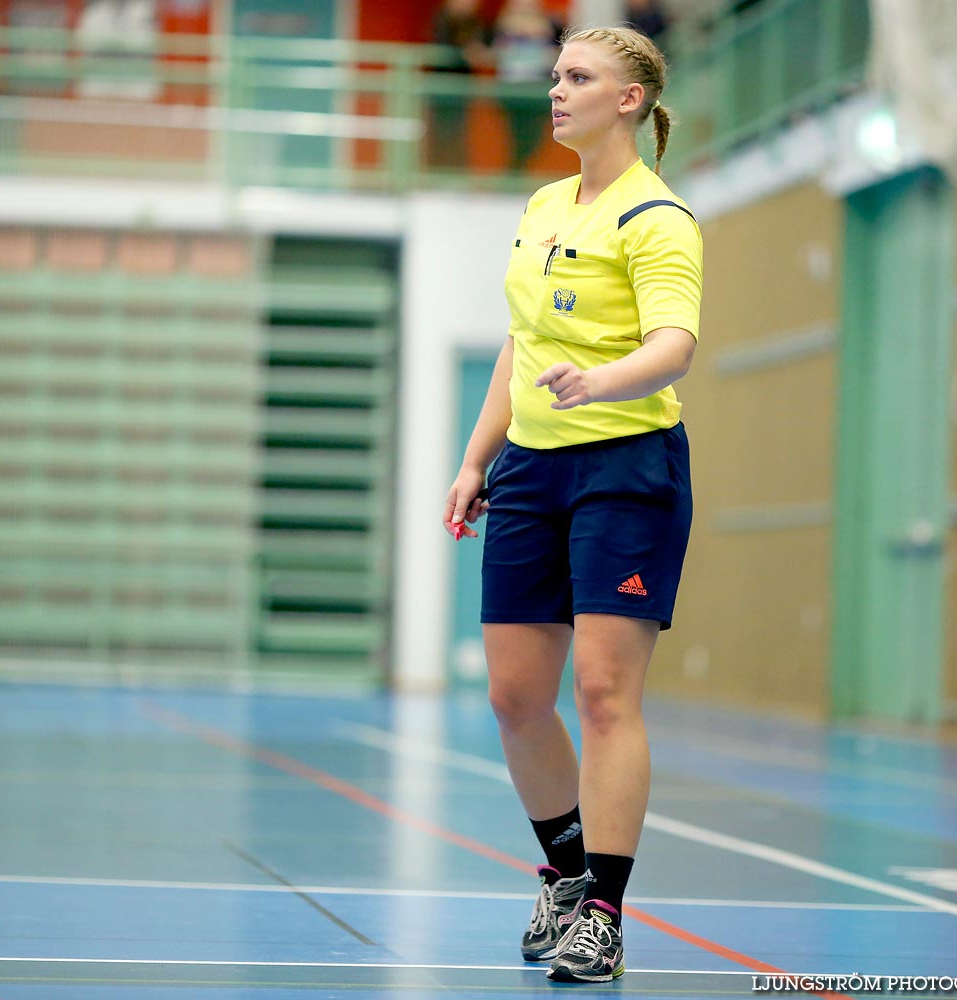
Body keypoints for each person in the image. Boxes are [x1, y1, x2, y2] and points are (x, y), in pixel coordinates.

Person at [442, 24, 702, 984]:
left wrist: (602, 384)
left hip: (624, 468)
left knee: (601, 692)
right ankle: (559, 870)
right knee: (515, 695)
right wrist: (478, 458)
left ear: (628, 99)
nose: (556, 90)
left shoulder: (656, 218)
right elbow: (518, 342)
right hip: (531, 471)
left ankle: (603, 910)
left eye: (578, 78)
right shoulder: (547, 202)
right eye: (555, 75)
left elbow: (674, 344)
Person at [492, 0, 560, 170]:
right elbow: (497, 52)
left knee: (535, 136)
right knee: (516, 135)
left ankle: (517, 170)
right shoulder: (504, 27)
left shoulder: (549, 26)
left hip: (536, 88)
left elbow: (557, 52)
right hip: (512, 89)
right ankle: (515, 171)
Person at [427, 0, 491, 169]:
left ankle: (455, 171)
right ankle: (437, 170)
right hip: (442, 85)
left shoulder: (476, 23)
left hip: (463, 86)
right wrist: (466, 52)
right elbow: (444, 47)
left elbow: (483, 47)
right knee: (440, 132)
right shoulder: (442, 20)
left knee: (459, 133)